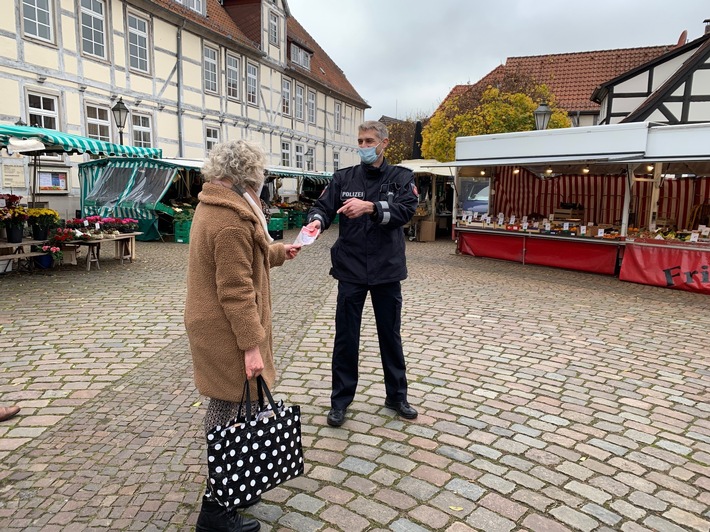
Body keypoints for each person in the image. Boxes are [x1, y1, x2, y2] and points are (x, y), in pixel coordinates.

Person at [184, 140, 301, 532]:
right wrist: (252, 347)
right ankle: (214, 512)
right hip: (227, 331)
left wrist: (281, 252)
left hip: (217, 326)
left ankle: (236, 487)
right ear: (245, 178)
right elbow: (234, 289)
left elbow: (250, 254)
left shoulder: (215, 204)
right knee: (227, 414)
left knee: (239, 408)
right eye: (257, 180)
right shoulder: (231, 218)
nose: (259, 188)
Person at [305, 120, 419, 428]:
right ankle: (340, 400)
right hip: (351, 268)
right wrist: (316, 221)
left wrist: (370, 206)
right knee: (346, 337)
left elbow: (406, 211)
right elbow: (322, 207)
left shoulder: (401, 177)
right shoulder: (344, 178)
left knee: (390, 336)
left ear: (384, 143)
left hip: (386, 269)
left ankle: (397, 396)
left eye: (370, 141)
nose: (364, 146)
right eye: (360, 141)